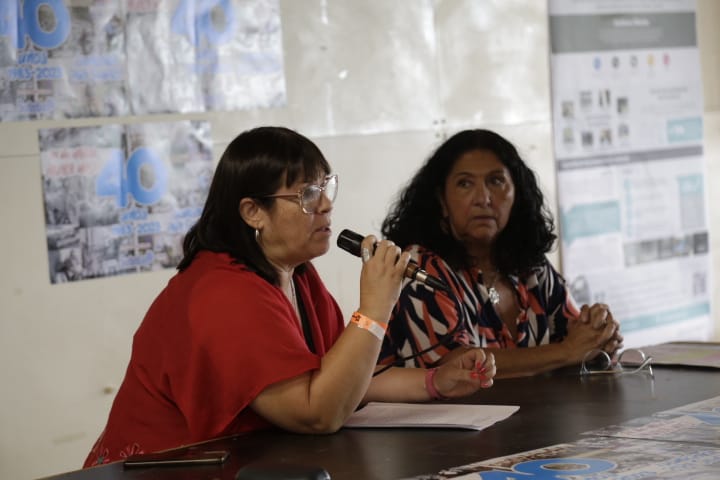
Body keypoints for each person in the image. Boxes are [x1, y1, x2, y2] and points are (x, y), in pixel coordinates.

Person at [83, 126, 496, 467]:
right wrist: (375, 308)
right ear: (253, 212)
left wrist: (434, 382)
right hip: (163, 470)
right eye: (308, 195)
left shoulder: (297, 274)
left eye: (326, 188)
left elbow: (343, 378)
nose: (326, 206)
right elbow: (316, 413)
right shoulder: (221, 293)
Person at [378, 129, 623, 378]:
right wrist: (567, 351)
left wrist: (598, 335)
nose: (483, 198)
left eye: (496, 181)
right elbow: (455, 366)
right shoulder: (419, 267)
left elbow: (576, 341)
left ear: (517, 194)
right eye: (465, 184)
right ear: (441, 200)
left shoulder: (531, 265)